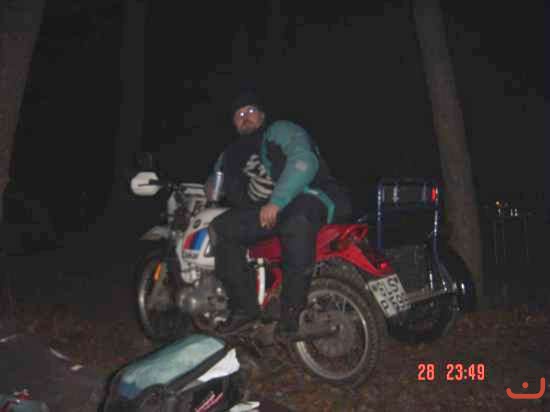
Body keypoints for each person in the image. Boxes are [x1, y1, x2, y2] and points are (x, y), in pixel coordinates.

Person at [208, 89, 352, 341]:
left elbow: (304, 160)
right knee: (221, 228)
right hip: (265, 212)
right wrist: (206, 188)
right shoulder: (229, 154)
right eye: (239, 115)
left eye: (250, 111)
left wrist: (277, 202)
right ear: (234, 123)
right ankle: (244, 309)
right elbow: (214, 182)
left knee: (296, 220)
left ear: (262, 116)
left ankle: (292, 313)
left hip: (311, 197)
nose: (245, 117)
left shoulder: (280, 130)